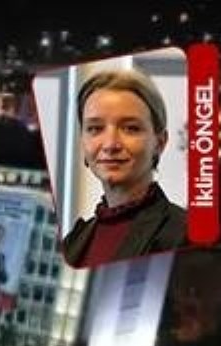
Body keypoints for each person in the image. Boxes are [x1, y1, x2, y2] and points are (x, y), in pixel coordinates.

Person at [61, 68, 187, 267]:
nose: (111, 144)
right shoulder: (74, 241)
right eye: (95, 128)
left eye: (131, 128)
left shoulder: (184, 233)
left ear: (159, 143)